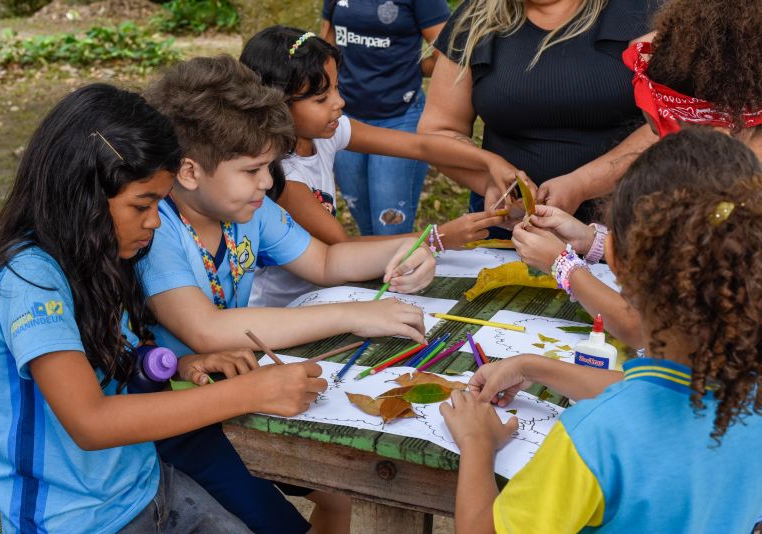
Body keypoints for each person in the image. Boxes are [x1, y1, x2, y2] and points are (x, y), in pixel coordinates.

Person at [0, 83, 329, 533]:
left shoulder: (99, 255)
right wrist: (254, 392)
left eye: (159, 202)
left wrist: (178, 364)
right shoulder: (29, 281)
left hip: (147, 489)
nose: (155, 220)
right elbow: (91, 421)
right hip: (74, 521)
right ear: (83, 197)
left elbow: (110, 356)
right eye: (143, 204)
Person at [139, 54, 438, 534]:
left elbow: (323, 262)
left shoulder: (245, 208)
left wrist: (408, 245)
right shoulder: (156, 229)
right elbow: (206, 329)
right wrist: (356, 314)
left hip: (239, 397)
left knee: (340, 487)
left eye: (270, 166)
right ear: (190, 171)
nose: (266, 183)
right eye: (253, 169)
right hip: (180, 420)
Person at [441, 128, 762, 533]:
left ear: (613, 259)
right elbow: (657, 392)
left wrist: (476, 445)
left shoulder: (595, 439)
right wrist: (533, 366)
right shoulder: (746, 389)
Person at [510, 0, 762, 348]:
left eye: (668, 127)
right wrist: (590, 240)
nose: (664, 140)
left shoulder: (735, 196)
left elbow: (650, 328)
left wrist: (562, 265)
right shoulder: (734, 177)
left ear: (716, 121)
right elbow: (679, 263)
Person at [240, 26, 523, 307]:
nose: (339, 102)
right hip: (281, 309)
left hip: (321, 295)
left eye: (337, 88)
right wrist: (438, 237)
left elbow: (418, 146)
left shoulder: (324, 133)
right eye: (321, 98)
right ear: (277, 105)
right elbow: (340, 248)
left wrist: (489, 161)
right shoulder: (283, 178)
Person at [418, 0, 661, 233]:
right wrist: (491, 183)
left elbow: (670, 123)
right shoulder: (474, 18)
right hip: (511, 233)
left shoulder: (642, 10)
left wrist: (582, 184)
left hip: (626, 224)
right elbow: (438, 132)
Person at [320, 0, 450, 235]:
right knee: (366, 229)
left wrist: (412, 68)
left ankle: (393, 272)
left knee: (389, 231)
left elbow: (450, 52)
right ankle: (374, 273)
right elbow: (325, 44)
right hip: (344, 118)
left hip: (399, 117)